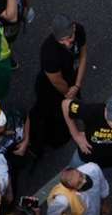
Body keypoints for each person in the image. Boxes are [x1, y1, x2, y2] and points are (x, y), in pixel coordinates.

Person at [30, 14, 87, 151]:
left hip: (70, 81)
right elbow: (56, 81)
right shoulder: (49, 52)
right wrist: (69, 94)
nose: (67, 43)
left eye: (69, 37)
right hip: (51, 87)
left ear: (74, 28)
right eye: (62, 40)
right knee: (51, 115)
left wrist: (77, 84)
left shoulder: (79, 30)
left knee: (67, 111)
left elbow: (83, 56)